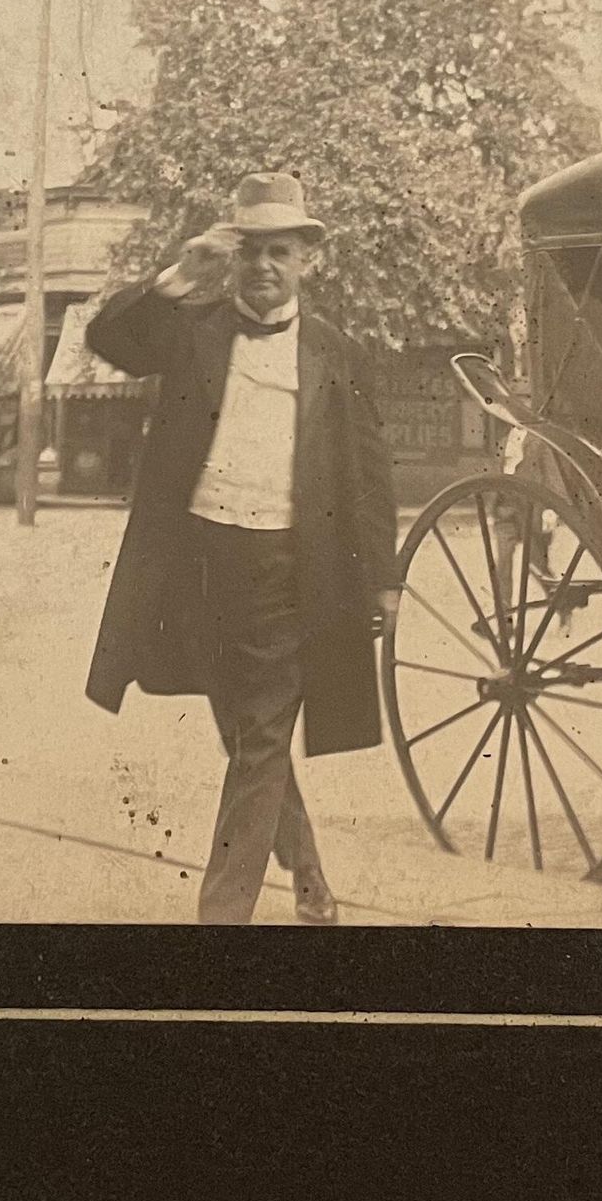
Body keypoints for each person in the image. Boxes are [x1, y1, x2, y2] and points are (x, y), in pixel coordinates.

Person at [82, 172, 401, 926]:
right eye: (249, 250)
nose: (262, 266)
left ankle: (221, 917)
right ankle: (308, 869)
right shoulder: (192, 330)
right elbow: (107, 340)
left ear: (307, 259)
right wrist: (178, 276)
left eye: (278, 251)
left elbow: (369, 473)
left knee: (260, 737)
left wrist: (383, 580)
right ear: (231, 257)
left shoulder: (337, 353)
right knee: (247, 734)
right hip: (198, 566)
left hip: (291, 570)